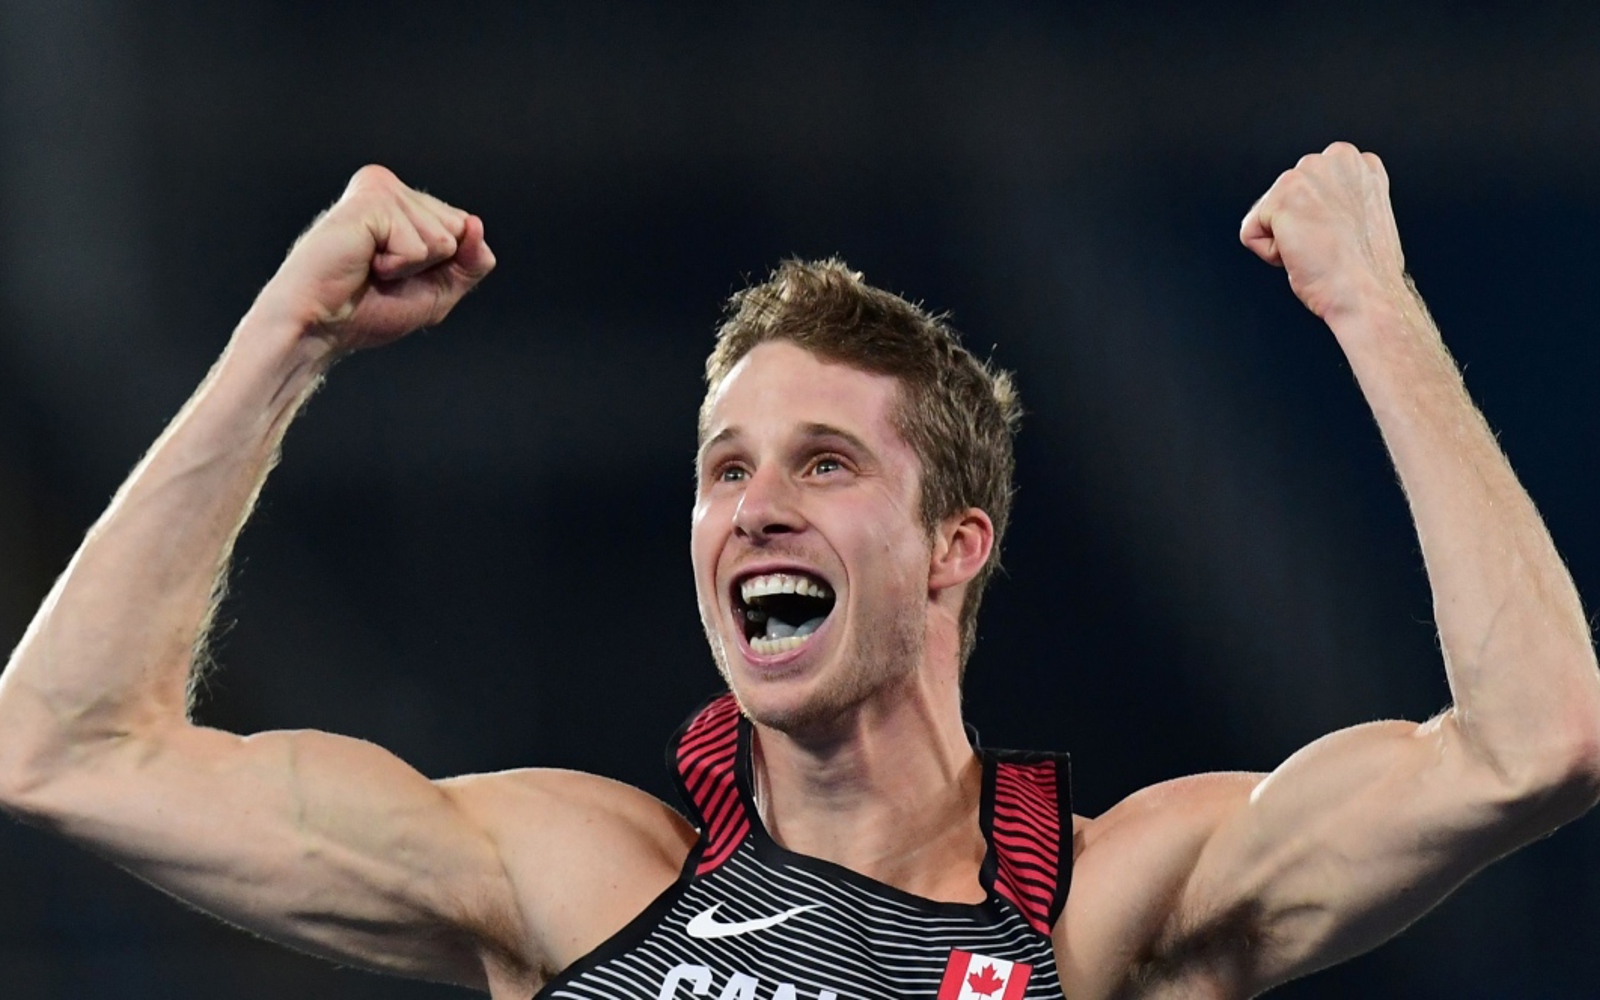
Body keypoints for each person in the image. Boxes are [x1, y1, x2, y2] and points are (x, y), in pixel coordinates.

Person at [0, 143, 1597, 1000]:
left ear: (952, 549)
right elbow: (62, 750)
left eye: (824, 463)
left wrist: (1375, 310)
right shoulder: (575, 884)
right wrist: (287, 340)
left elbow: (1541, 743)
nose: (756, 507)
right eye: (725, 471)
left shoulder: (1115, 905)